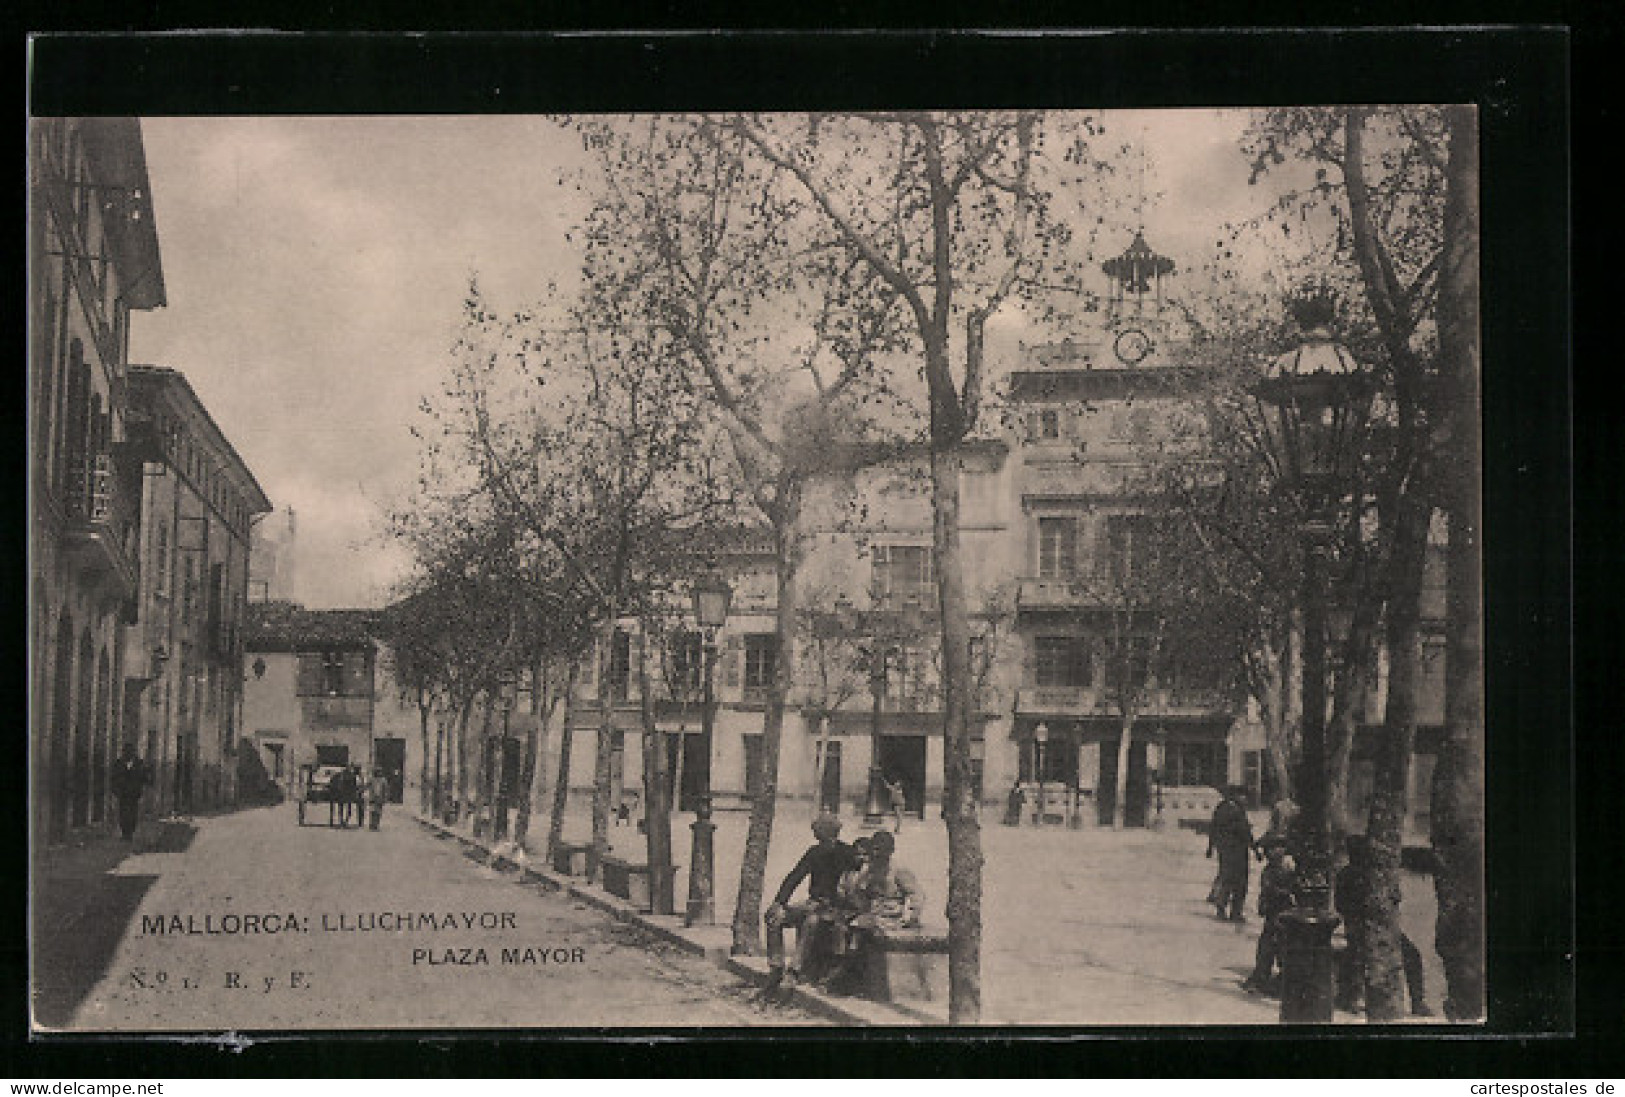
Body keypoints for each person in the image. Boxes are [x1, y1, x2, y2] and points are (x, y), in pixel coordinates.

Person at [1334, 834, 1432, 1016]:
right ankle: (1417, 1002)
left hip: (1369, 927)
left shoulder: (1348, 874)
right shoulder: (1369, 875)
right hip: (1363, 928)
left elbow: (1340, 905)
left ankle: (1349, 998)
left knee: (1408, 955)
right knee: (1410, 956)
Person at [763, 813, 861, 989]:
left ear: (826, 831)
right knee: (774, 918)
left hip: (833, 908)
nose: (814, 833)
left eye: (817, 830)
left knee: (812, 922)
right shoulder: (814, 852)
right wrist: (779, 902)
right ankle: (776, 966)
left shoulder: (847, 853)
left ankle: (794, 971)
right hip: (812, 903)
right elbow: (795, 876)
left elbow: (856, 884)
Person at [1241, 837, 1298, 994]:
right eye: (1270, 850)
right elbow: (1269, 890)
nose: (1273, 852)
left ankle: (1273, 976)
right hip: (1274, 912)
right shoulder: (1271, 870)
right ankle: (1262, 975)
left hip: (1282, 913)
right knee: (1269, 945)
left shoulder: (1286, 869)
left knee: (1277, 945)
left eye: (1278, 848)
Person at [1206, 785, 1259, 922]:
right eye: (1243, 796)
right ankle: (1234, 912)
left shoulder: (1223, 807)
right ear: (1237, 796)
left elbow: (1213, 828)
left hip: (1227, 850)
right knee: (1238, 883)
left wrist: (1211, 847)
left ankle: (1224, 909)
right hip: (1236, 852)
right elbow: (1245, 832)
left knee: (1227, 880)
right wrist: (1256, 849)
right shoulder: (1235, 810)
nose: (1245, 799)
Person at [109, 743, 150, 842]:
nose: (127, 754)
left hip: (134, 794)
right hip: (122, 794)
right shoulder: (118, 763)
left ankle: (130, 833)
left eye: (130, 752)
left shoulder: (139, 763)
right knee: (122, 813)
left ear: (133, 753)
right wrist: (115, 791)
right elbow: (113, 778)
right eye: (126, 752)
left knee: (132, 813)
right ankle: (124, 833)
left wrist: (142, 786)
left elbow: (144, 777)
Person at [367, 766, 390, 831]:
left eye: (379, 772)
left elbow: (386, 790)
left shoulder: (383, 780)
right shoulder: (372, 779)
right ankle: (371, 824)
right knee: (372, 811)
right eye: (377, 772)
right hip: (373, 797)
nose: (378, 773)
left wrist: (385, 798)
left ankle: (376, 824)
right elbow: (367, 786)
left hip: (380, 798)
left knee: (378, 812)